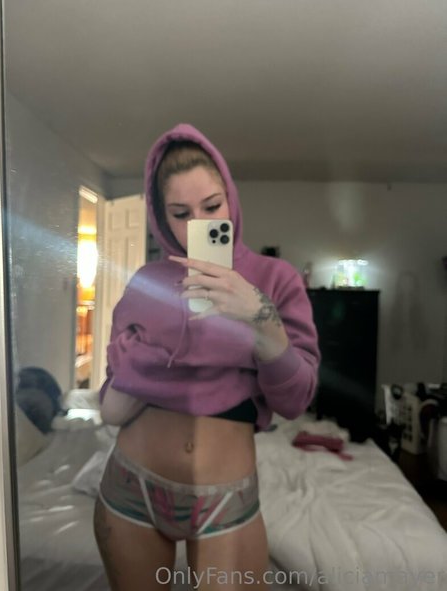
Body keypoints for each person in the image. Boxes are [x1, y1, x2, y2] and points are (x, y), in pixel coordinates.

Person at [93, 123, 320, 590]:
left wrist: (260, 318)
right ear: (161, 218)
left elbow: (296, 400)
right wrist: (146, 363)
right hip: (132, 484)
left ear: (230, 199)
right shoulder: (145, 282)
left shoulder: (275, 279)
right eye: (181, 213)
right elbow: (112, 392)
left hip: (226, 498)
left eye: (212, 207)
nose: (199, 225)